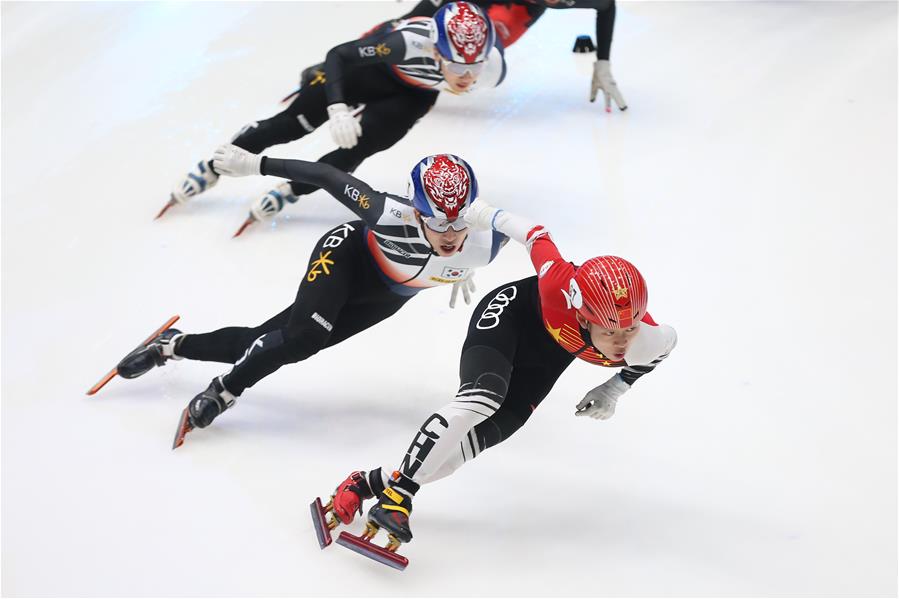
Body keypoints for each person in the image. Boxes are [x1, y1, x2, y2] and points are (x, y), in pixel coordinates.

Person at [318, 201, 676, 556]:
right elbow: (535, 235)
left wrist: (613, 388)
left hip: (546, 360)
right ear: (582, 317)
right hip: (511, 316)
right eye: (611, 332)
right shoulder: (556, 282)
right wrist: (484, 214)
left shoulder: (646, 341)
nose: (622, 342)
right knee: (482, 397)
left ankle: (366, 484)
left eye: (630, 329)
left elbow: (662, 350)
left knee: (462, 451)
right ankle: (399, 497)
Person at [118, 144, 508, 447]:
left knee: (267, 342)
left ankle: (172, 345)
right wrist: (255, 164)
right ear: (417, 211)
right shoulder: (386, 212)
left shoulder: (487, 240)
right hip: (345, 255)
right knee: (303, 339)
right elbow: (325, 174)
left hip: (383, 298)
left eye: (459, 222)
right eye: (438, 222)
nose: (450, 234)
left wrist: (460, 267)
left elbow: (541, 242)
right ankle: (224, 391)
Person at [158, 1, 506, 236]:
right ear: (434, 49)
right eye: (458, 66)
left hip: (411, 95)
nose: (466, 78)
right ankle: (212, 167)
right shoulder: (405, 44)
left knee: (358, 148)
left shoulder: (491, 68)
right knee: (292, 125)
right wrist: (337, 106)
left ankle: (291, 190)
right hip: (366, 68)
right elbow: (339, 55)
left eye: (474, 68)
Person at [394, 0, 626, 112]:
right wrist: (400, 27)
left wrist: (603, 62)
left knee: (489, 52)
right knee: (422, 25)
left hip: (520, 10)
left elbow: (606, 6)